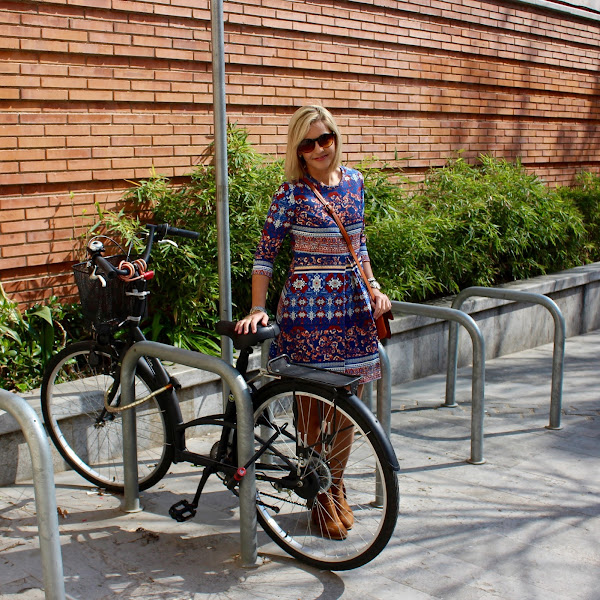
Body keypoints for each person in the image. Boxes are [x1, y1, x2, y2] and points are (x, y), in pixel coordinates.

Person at [235, 105, 391, 540]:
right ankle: (319, 495)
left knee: (348, 409)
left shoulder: (356, 182)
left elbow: (359, 243)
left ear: (336, 137)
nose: (320, 148)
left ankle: (334, 485)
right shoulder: (290, 194)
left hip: (353, 311)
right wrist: (258, 307)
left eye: (325, 138)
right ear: (298, 151)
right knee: (312, 408)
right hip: (306, 313)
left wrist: (374, 286)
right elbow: (265, 255)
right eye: (308, 143)